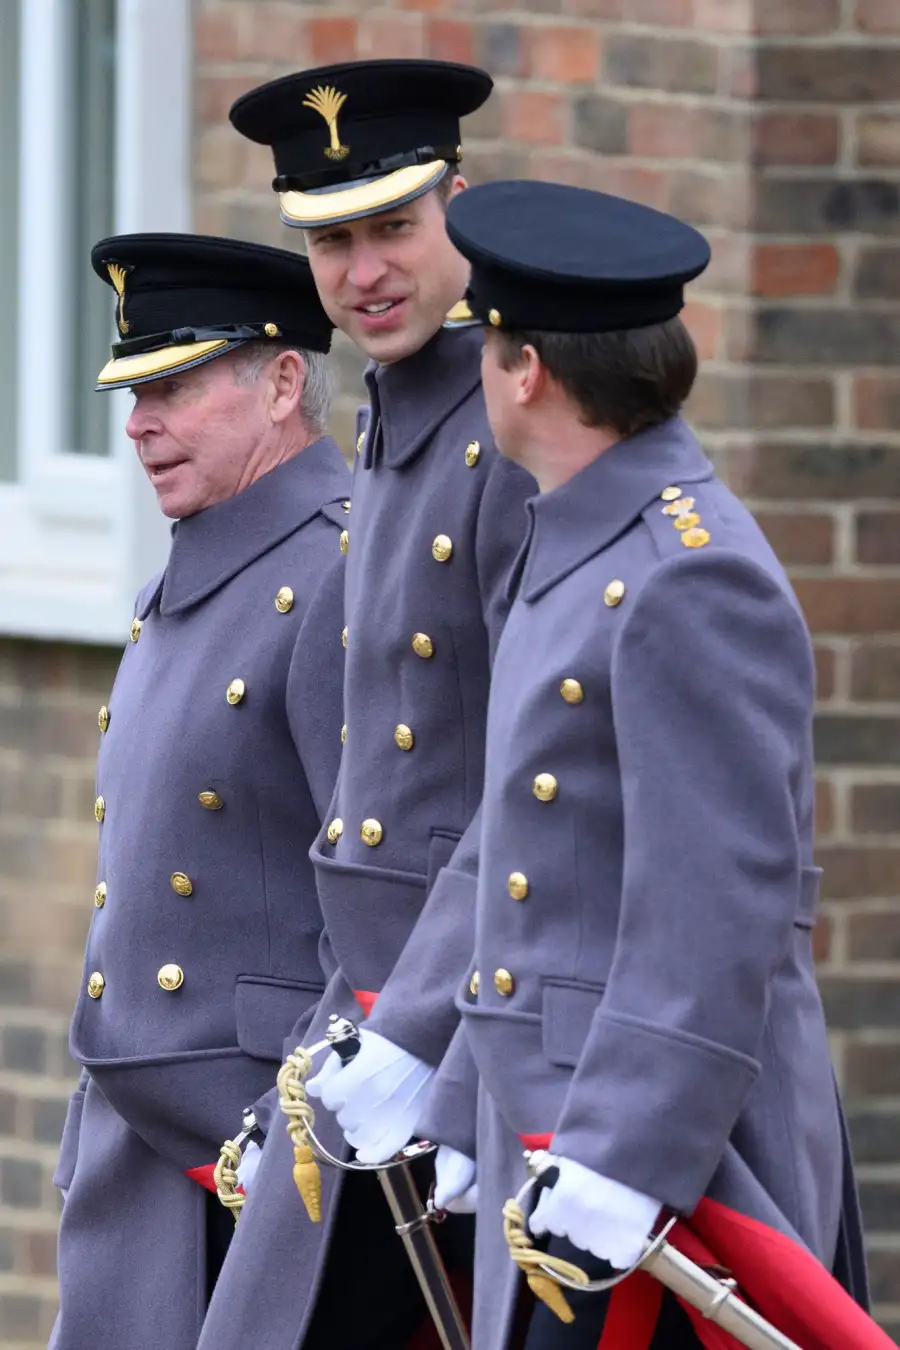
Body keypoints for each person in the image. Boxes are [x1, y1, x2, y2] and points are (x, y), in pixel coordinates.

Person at [416, 179, 873, 1350]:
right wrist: (468, 1092)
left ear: (526, 373)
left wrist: (621, 1159)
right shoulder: (577, 531)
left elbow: (714, 905)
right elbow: (535, 870)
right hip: (559, 1134)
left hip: (670, 1178)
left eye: (488, 343)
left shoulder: (686, 573)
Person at [196, 60, 534, 1350]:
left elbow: (531, 781)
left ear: (462, 202)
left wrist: (420, 1030)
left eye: (395, 223)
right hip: (371, 1012)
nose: (364, 270)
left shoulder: (511, 419)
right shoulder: (397, 422)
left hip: (468, 1021)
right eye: (332, 239)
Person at [50, 233, 349, 1350]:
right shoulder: (180, 577)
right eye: (134, 394)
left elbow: (382, 908)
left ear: (280, 383)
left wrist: (296, 1131)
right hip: (144, 1145)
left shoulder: (336, 578)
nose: (137, 426)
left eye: (171, 388)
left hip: (257, 1162)